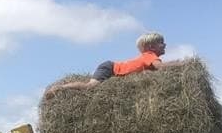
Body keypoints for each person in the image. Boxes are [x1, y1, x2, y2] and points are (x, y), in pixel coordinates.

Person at [44, 31, 178, 99]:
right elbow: (161, 67)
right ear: (151, 47)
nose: (165, 45)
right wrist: (181, 63)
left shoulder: (148, 57)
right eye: (161, 42)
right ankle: (59, 88)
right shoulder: (150, 56)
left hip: (111, 69)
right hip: (110, 68)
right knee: (90, 87)